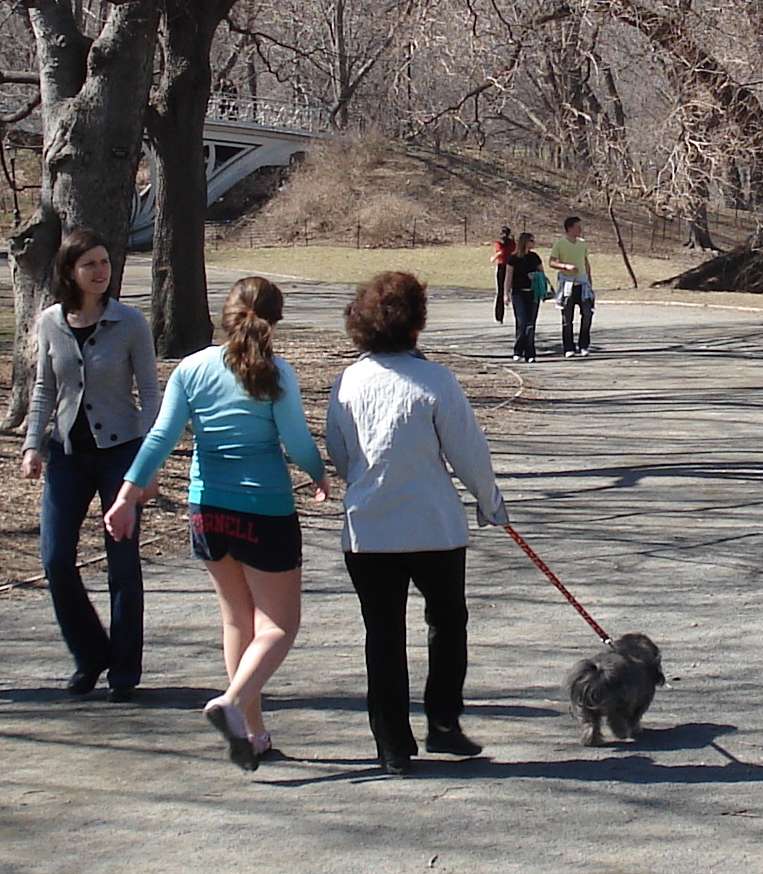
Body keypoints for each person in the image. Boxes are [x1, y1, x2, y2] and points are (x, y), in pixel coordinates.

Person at [105, 277, 327, 771]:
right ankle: (231, 704)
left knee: (236, 620)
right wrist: (320, 474)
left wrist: (126, 496)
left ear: (223, 316)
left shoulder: (191, 368)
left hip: (208, 511)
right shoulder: (277, 374)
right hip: (264, 510)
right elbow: (296, 441)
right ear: (277, 321)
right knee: (279, 625)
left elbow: (160, 436)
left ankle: (252, 733)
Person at [325, 270, 510, 776]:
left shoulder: (347, 382)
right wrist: (490, 501)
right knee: (447, 622)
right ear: (415, 325)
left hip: (369, 529)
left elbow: (340, 454)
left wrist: (365, 480)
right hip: (434, 527)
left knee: (382, 635)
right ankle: (443, 723)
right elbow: (468, 452)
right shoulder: (437, 381)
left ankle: (391, 745)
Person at [20, 230, 162, 699]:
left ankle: (124, 671)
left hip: (120, 454)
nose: (100, 272)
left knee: (122, 563)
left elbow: (150, 397)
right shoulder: (50, 323)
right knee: (56, 559)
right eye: (90, 265)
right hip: (66, 454)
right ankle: (89, 655)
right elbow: (44, 387)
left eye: (105, 262)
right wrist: (32, 446)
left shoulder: (130, 322)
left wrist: (148, 464)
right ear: (70, 272)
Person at [547, 215, 597, 356]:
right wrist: (565, 266)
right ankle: (569, 347)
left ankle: (584, 345)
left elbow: (586, 262)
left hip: (582, 283)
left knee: (587, 313)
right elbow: (551, 262)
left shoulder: (582, 244)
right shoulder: (560, 244)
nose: (580, 229)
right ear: (569, 229)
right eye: (577, 227)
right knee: (567, 318)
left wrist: (589, 280)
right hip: (567, 284)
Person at [494, 230, 545, 362]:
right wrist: (505, 294)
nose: (534, 243)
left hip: (533, 293)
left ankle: (530, 353)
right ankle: (518, 350)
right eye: (531, 240)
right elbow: (508, 277)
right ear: (525, 242)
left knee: (531, 323)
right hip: (518, 293)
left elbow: (542, 275)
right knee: (521, 322)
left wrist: (536, 277)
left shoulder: (534, 257)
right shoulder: (513, 258)